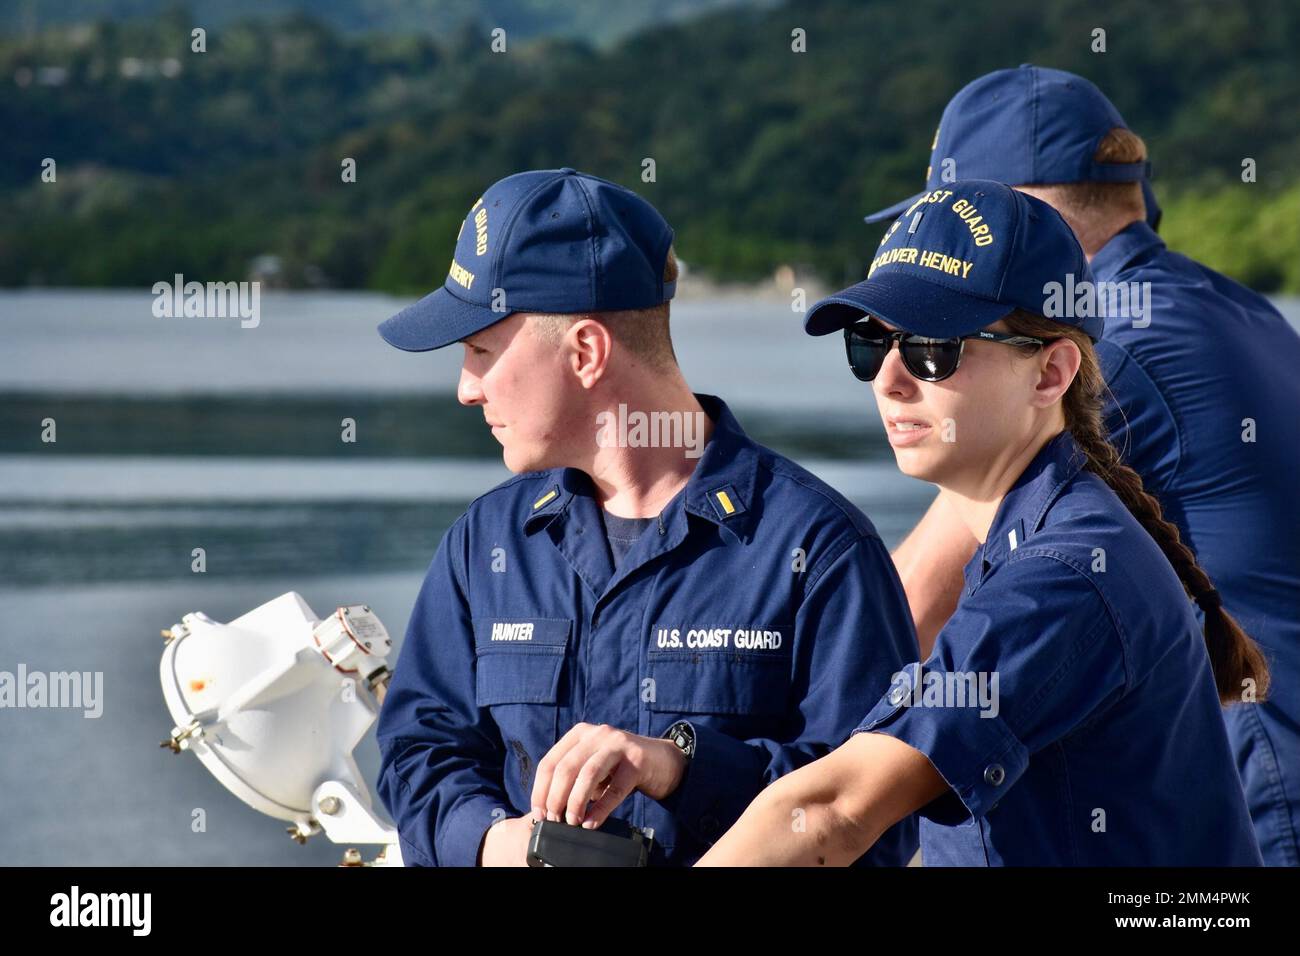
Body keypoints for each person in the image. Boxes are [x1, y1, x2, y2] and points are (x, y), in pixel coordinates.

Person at [697, 180, 1267, 866]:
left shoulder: (1062, 579)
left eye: (933, 347)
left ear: (1051, 373)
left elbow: (829, 815)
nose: (888, 380)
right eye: (869, 344)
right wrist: (683, 761)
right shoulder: (1026, 539)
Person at [372, 167, 920, 866]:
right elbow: (420, 751)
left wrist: (682, 768)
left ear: (586, 352)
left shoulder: (820, 550)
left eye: (480, 351)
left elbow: (875, 824)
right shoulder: (484, 546)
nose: (465, 389)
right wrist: (493, 842)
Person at [864, 65, 1300, 865]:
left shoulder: (1109, 356)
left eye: (952, 232)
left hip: (1263, 809)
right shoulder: (1238, 308)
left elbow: (898, 614)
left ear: (1012, 221)